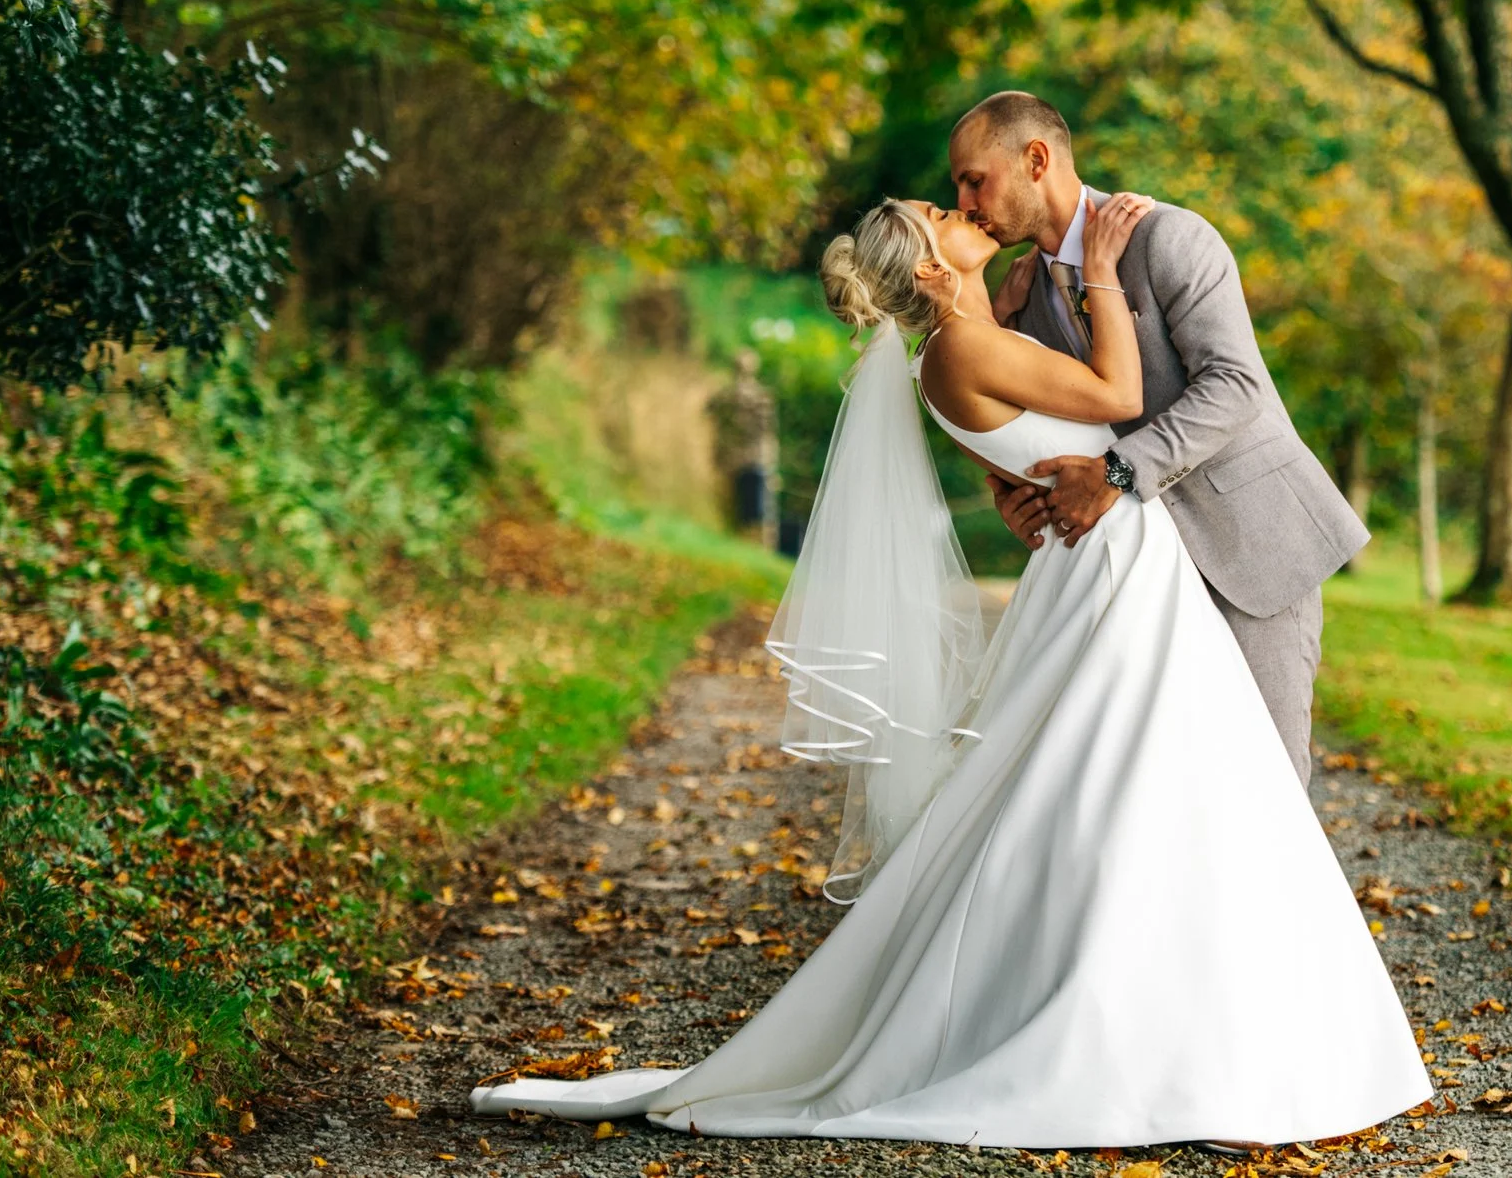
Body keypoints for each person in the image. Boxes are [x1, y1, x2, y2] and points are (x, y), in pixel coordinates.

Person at [470, 190, 1428, 1147]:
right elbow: (1117, 401)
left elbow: (1034, 432)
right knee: (1134, 785)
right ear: (931, 268)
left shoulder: (973, 334)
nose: (963, 203)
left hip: (1119, 557)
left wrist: (1017, 391)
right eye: (946, 207)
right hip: (1115, 562)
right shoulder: (959, 348)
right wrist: (1098, 272)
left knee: (1150, 784)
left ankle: (1209, 1025)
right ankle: (1161, 1036)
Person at [951, 91, 1367, 784]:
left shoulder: (1169, 237)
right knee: (1171, 785)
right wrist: (1017, 495)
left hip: (1248, 545)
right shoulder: (1022, 298)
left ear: (1036, 159)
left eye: (974, 178)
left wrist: (1115, 474)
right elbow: (1042, 429)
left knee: (1267, 778)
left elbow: (1236, 384)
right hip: (1138, 574)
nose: (965, 201)